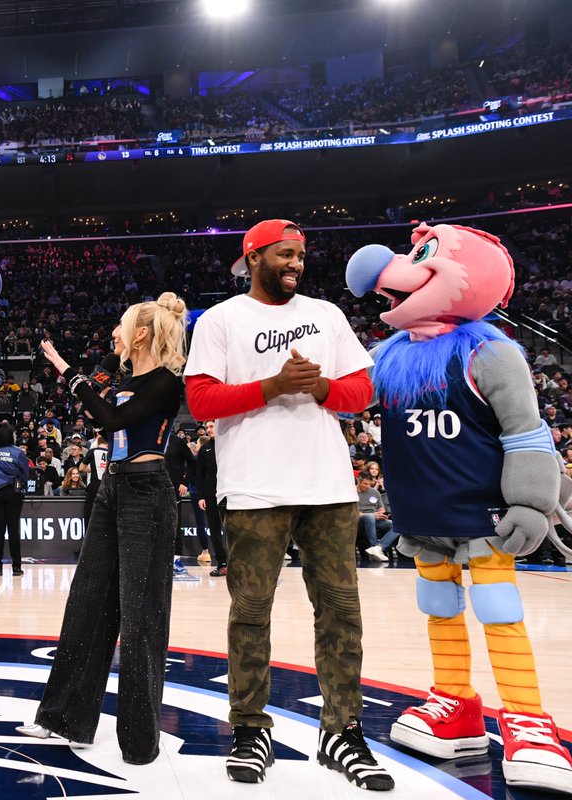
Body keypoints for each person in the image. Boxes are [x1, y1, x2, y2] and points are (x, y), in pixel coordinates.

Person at [184, 220, 392, 789]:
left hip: (327, 487)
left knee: (342, 613)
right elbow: (200, 400)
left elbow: (363, 391)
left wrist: (320, 388)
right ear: (253, 257)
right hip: (255, 489)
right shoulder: (223, 320)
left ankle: (341, 730)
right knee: (250, 614)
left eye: (300, 255)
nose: (295, 263)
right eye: (284, 254)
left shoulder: (327, 314)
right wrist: (274, 386)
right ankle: (250, 727)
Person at [18, 293, 187, 766]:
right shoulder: (125, 378)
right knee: (88, 601)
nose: (113, 332)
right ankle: (65, 718)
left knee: (140, 618)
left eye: (121, 324)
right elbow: (104, 420)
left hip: (148, 494)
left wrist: (69, 374)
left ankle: (139, 742)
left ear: (140, 333)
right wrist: (72, 376)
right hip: (112, 489)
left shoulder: (167, 382)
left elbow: (112, 418)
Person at [0, 421, 29, 577]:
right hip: (13, 492)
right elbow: (25, 473)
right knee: (13, 529)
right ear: (11, 436)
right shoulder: (18, 452)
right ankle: (16, 567)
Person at [195, 420, 229, 577]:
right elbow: (200, 474)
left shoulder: (230, 444)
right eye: (207, 427)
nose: (208, 429)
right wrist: (201, 496)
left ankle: (237, 564)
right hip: (210, 495)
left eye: (211, 426)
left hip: (229, 493)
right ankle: (222, 563)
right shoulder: (205, 448)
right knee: (215, 530)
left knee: (232, 529)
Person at [355, 472, 394, 561]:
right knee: (369, 517)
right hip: (359, 520)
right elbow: (353, 513)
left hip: (375, 518)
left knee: (395, 525)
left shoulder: (374, 492)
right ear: (359, 481)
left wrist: (381, 514)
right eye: (365, 483)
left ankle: (378, 548)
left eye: (370, 484)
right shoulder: (352, 493)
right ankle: (373, 545)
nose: (368, 486)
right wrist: (373, 515)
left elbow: (382, 509)